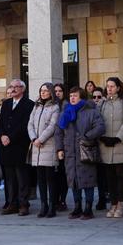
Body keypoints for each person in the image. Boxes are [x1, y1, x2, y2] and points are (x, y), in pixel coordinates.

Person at [55, 86, 105, 220]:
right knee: (73, 181)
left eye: (75, 96)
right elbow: (58, 132)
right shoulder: (65, 112)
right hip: (70, 152)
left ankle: (88, 208)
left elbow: (100, 127)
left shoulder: (91, 111)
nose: (72, 98)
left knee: (88, 180)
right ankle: (77, 207)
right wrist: (59, 149)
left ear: (81, 97)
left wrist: (87, 136)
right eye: (71, 96)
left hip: (86, 151)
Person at [0, 79, 35, 216]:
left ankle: (23, 204)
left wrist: (10, 137)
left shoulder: (29, 104)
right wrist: (1, 135)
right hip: (5, 146)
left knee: (22, 177)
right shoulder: (6, 103)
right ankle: (11, 203)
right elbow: (0, 122)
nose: (12, 89)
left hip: (20, 145)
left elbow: (25, 125)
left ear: (22, 89)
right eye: (11, 87)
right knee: (9, 177)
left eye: (16, 87)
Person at [98, 77, 123, 218]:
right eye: (107, 86)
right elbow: (98, 121)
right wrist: (102, 137)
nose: (109, 89)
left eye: (112, 86)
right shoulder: (102, 103)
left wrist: (118, 138)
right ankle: (112, 203)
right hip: (105, 145)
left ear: (118, 88)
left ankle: (121, 203)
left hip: (121, 145)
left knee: (121, 176)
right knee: (110, 177)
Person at [28, 82, 60, 218]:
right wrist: (34, 138)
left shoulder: (55, 107)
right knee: (40, 179)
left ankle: (52, 206)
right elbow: (29, 124)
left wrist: (41, 139)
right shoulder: (36, 106)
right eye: (41, 90)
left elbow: (52, 126)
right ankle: (43, 205)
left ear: (51, 92)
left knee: (50, 179)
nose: (43, 93)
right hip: (36, 147)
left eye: (46, 91)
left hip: (48, 146)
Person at [52, 83, 69, 212]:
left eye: (60, 91)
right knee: (54, 176)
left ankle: (62, 200)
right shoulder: (51, 105)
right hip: (50, 143)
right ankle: (54, 199)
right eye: (55, 91)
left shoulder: (66, 106)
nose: (57, 93)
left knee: (62, 174)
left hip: (63, 144)